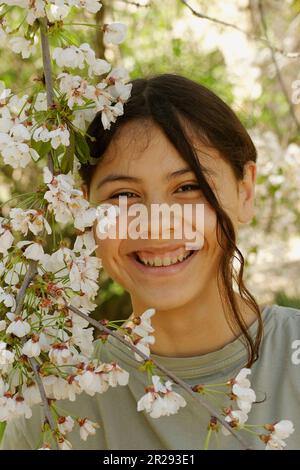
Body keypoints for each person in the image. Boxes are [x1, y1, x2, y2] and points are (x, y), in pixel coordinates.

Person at [1, 73, 300, 450]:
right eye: (124, 194)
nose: (157, 227)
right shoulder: (53, 403)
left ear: (245, 190)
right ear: (84, 209)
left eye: (188, 188)